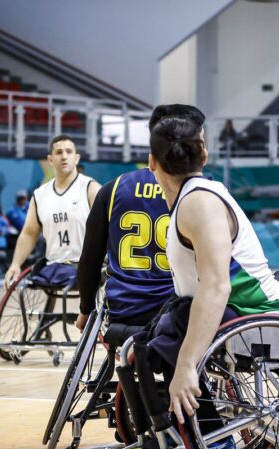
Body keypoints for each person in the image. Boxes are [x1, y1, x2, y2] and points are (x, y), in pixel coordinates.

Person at [146, 112, 279, 431]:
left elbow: (216, 288)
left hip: (261, 315)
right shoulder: (194, 197)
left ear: (151, 163)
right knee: (162, 330)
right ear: (204, 154)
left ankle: (215, 437)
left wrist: (186, 364)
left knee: (170, 336)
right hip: (241, 313)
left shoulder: (199, 203)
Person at [73, 104, 205, 332]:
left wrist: (85, 309)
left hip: (123, 310)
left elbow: (89, 260)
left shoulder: (112, 189)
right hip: (178, 312)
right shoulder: (204, 193)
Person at [3, 135, 100, 289]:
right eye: (59, 152)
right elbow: (29, 233)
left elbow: (109, 227)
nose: (64, 156)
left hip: (86, 265)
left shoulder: (90, 188)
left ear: (76, 158)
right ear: (50, 160)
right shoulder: (40, 195)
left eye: (69, 152)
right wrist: (15, 265)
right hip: (53, 266)